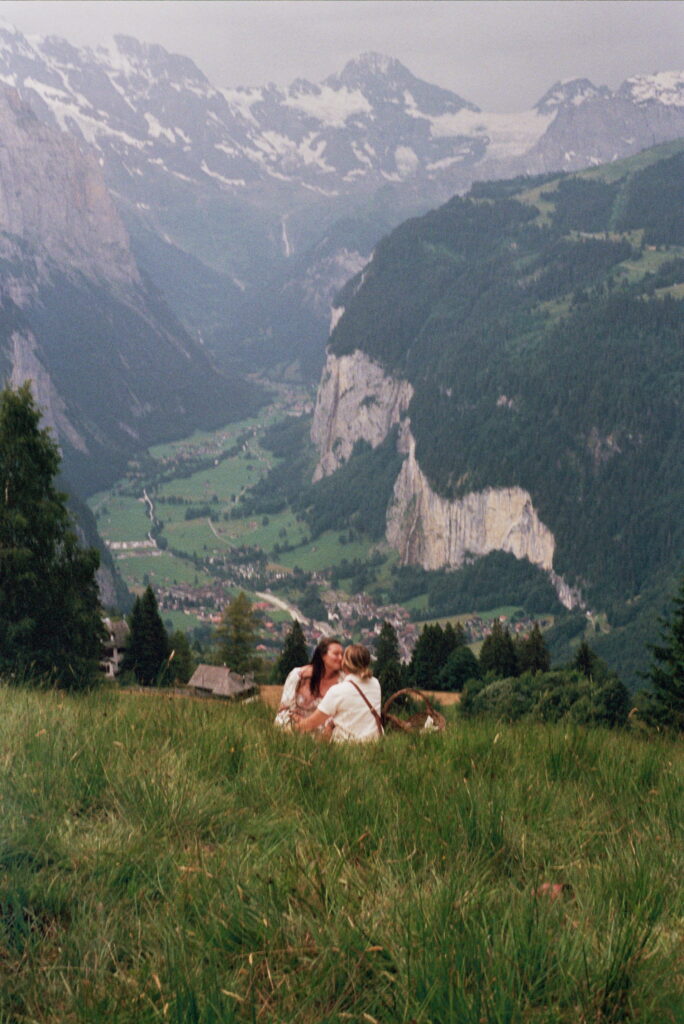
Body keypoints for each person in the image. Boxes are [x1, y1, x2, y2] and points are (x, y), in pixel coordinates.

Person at [296, 644, 382, 743]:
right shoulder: (375, 684)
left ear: (345, 664)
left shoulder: (338, 691)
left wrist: (290, 729)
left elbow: (311, 723)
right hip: (373, 744)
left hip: (347, 748)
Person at [274, 636, 343, 729]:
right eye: (336, 654)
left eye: (342, 654)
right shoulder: (298, 675)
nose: (341, 658)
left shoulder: (343, 681)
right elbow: (285, 706)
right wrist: (303, 723)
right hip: (294, 722)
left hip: (325, 728)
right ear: (323, 656)